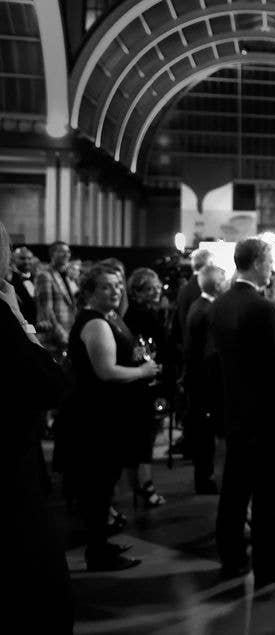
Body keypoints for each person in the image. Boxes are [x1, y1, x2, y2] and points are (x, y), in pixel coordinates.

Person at [210, 238, 275, 587]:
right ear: (258, 262)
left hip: (235, 410)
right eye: (270, 261)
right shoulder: (262, 308)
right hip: (266, 415)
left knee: (234, 488)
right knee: (268, 490)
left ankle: (232, 558)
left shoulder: (220, 304)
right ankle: (269, 563)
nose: (272, 268)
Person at [0, 222, 74, 633]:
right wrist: (19, 322)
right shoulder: (4, 309)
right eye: (9, 248)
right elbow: (49, 385)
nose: (14, 257)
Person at [64, 265, 159, 571]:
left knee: (103, 484)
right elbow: (106, 371)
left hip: (104, 415)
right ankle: (97, 551)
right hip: (96, 418)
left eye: (118, 285)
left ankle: (101, 544)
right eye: (106, 286)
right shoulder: (95, 324)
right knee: (98, 485)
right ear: (90, 291)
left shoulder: (108, 318)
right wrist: (143, 372)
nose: (116, 291)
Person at [123, 267, 171, 508]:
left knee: (147, 435)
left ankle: (143, 484)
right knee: (144, 437)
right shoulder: (139, 314)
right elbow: (141, 349)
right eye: (150, 289)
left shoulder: (150, 311)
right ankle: (145, 485)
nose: (156, 292)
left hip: (150, 383)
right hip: (144, 385)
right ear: (137, 291)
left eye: (157, 287)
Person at [183, 263, 226, 494]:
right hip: (206, 384)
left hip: (198, 381)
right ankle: (206, 478)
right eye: (224, 277)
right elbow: (210, 353)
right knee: (206, 435)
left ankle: (205, 476)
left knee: (204, 433)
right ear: (218, 284)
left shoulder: (198, 306)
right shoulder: (208, 310)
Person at [34, 241, 75, 357]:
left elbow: (72, 305)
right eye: (62, 251)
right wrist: (61, 334)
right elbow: (46, 310)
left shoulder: (68, 276)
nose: (66, 254)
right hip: (53, 337)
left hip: (68, 332)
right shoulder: (45, 275)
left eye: (68, 251)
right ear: (52, 254)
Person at [172, 248, 212, 354]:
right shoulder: (202, 288)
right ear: (209, 264)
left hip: (187, 346)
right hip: (199, 349)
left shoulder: (184, 288)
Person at [10, 245, 37, 324]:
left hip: (36, 324)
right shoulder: (9, 278)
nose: (26, 261)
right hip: (20, 323)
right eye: (22, 258)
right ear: (13, 259)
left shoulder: (36, 277)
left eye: (29, 258)